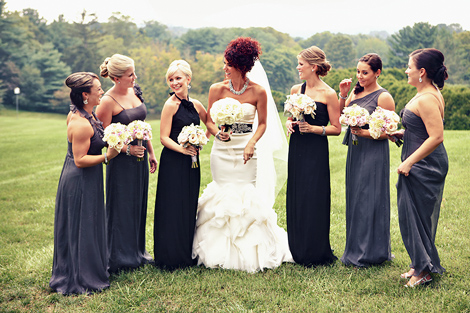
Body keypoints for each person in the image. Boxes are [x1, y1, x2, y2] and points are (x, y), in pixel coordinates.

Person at [192, 37, 293, 273]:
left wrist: (252, 143)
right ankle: (215, 248)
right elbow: (208, 120)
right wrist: (217, 133)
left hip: (247, 149)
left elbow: (263, 124)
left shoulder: (258, 92)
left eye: (228, 64)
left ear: (240, 65)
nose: (224, 68)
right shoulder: (217, 89)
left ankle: (250, 248)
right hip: (222, 151)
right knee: (222, 190)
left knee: (245, 193)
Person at [50, 72, 119, 295]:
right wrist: (109, 155)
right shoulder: (80, 124)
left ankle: (90, 267)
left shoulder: (85, 113)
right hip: (80, 180)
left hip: (88, 177)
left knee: (88, 223)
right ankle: (81, 276)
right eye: (98, 89)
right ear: (85, 95)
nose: (101, 92)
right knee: (82, 225)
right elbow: (80, 160)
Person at [96, 54, 157, 274]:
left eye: (134, 73)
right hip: (121, 164)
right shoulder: (107, 102)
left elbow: (142, 125)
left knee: (138, 204)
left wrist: (150, 151)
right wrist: (126, 149)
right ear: (117, 78)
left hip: (140, 161)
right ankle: (120, 257)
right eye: (130, 74)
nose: (135, 77)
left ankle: (138, 252)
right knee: (121, 208)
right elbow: (101, 137)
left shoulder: (135, 90)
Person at [392, 48, 448, 287]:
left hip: (424, 165)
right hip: (419, 160)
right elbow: (423, 130)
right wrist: (402, 132)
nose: (406, 70)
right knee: (415, 216)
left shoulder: (426, 98)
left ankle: (423, 271)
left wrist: (409, 161)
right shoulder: (427, 92)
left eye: (409, 67)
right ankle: (419, 263)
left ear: (422, 72)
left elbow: (436, 136)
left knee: (415, 217)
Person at [285, 46, 341, 266]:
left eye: (301, 64)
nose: (298, 68)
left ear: (313, 67)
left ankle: (316, 249)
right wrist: (290, 123)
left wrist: (316, 129)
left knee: (314, 195)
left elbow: (337, 128)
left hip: (316, 150)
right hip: (297, 147)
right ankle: (297, 246)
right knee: (297, 193)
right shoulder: (295, 90)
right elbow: (291, 117)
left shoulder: (329, 94)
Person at [338, 53, 395, 267]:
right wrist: (344, 95)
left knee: (370, 199)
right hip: (356, 151)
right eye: (358, 72)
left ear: (377, 73)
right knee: (356, 198)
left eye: (365, 72)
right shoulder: (355, 91)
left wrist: (364, 133)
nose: (360, 76)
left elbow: (390, 132)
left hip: (374, 152)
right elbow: (342, 114)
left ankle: (372, 252)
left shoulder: (384, 97)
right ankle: (355, 248)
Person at [153, 60, 207, 269]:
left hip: (192, 163)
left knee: (188, 203)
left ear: (188, 79)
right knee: (172, 205)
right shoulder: (170, 105)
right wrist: (183, 149)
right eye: (171, 79)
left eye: (178, 78)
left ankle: (186, 252)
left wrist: (203, 140)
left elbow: (209, 124)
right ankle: (170, 256)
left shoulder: (196, 104)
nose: (174, 82)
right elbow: (164, 138)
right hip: (174, 162)